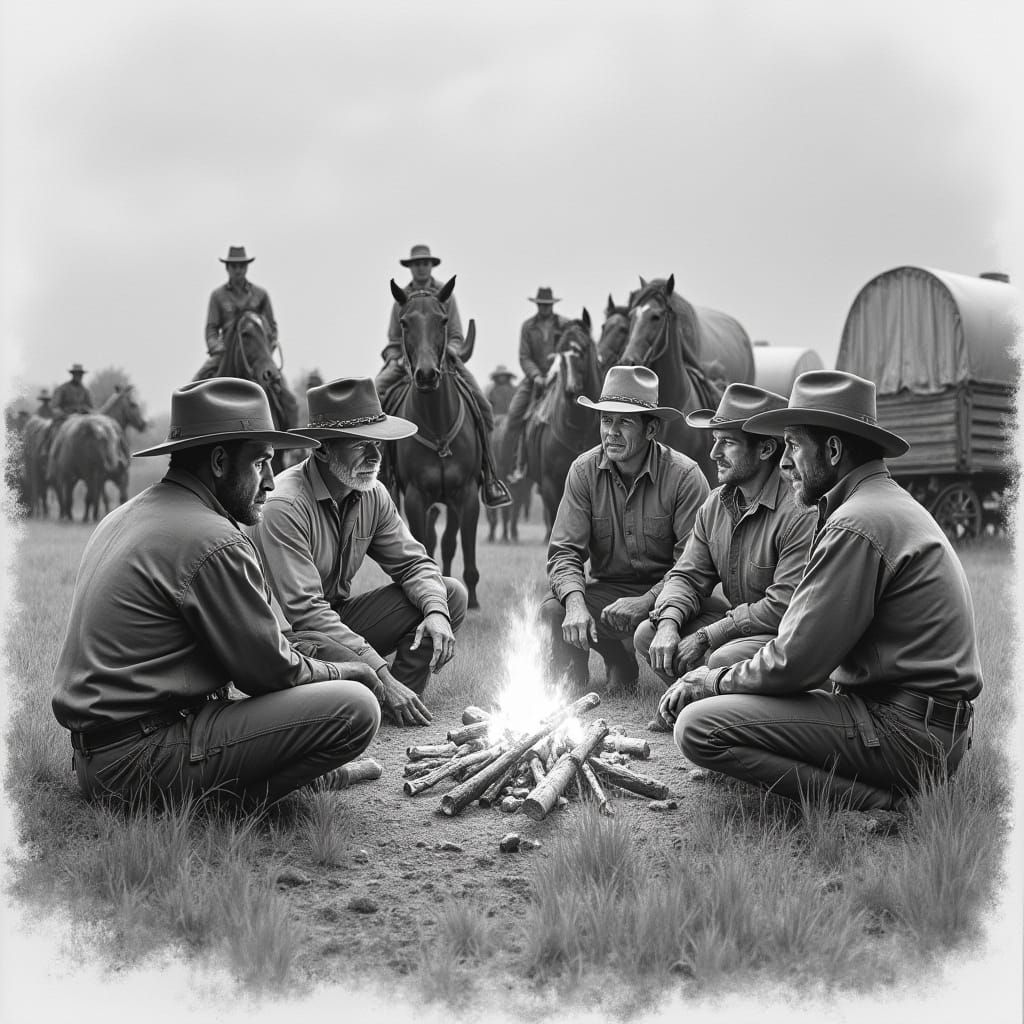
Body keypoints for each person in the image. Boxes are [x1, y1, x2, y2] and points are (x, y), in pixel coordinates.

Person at [51, 377, 382, 808]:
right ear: (221, 462)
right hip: (139, 760)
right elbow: (270, 673)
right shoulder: (213, 539)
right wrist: (350, 671)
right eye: (261, 463)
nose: (269, 482)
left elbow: (261, 647)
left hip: (101, 754)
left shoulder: (126, 514)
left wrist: (314, 652)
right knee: (356, 708)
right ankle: (229, 805)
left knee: (314, 649)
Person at [660, 370, 982, 812]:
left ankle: (879, 802)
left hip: (903, 732)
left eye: (792, 446)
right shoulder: (877, 504)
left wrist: (711, 681)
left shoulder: (856, 523)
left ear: (832, 451)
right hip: (919, 723)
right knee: (733, 675)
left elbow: (796, 663)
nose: (785, 462)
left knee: (697, 726)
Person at [251, 376, 468, 724]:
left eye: (378, 444)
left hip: (334, 622)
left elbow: (414, 564)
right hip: (290, 640)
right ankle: (376, 693)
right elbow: (306, 613)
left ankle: (394, 704)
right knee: (331, 649)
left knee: (449, 593)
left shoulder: (373, 493)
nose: (374, 455)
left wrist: (436, 612)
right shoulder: (285, 505)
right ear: (321, 448)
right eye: (360, 445)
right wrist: (381, 671)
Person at [634, 384, 816, 729]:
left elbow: (784, 606)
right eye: (715, 440)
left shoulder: (798, 511)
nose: (714, 452)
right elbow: (686, 575)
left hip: (782, 636)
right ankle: (691, 704)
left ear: (765, 449)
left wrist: (707, 635)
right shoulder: (716, 503)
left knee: (724, 655)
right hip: (740, 626)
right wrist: (670, 623)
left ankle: (721, 715)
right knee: (649, 633)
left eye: (727, 442)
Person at [541, 365, 710, 690]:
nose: (611, 432)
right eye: (606, 420)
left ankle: (691, 683)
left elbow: (694, 568)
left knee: (696, 637)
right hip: (610, 594)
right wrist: (575, 604)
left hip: (672, 595)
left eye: (625, 422)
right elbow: (564, 553)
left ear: (651, 429)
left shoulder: (685, 477)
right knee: (553, 608)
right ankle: (571, 688)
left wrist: (647, 601)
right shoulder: (583, 471)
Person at [377, 243, 512, 509]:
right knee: (373, 402)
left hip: (444, 361)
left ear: (431, 266)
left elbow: (457, 336)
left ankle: (490, 477)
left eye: (425, 263)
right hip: (405, 362)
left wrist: (447, 353)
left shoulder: (445, 296)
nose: (421, 268)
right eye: (416, 264)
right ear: (410, 267)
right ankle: (383, 478)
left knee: (483, 406)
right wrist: (400, 358)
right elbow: (394, 338)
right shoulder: (401, 298)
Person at [503, 287, 570, 480]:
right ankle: (513, 464)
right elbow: (524, 357)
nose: (544, 308)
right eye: (541, 305)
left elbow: (566, 351)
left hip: (559, 379)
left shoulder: (564, 325)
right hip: (534, 381)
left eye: (547, 305)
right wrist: (536, 376)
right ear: (537, 305)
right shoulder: (528, 326)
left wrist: (556, 372)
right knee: (514, 415)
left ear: (553, 305)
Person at [196, 245, 278, 381]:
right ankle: (186, 400)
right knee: (199, 381)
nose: (238, 270)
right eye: (234, 266)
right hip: (227, 351)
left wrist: (267, 347)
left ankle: (292, 402)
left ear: (247, 268)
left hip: (257, 353)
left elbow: (271, 327)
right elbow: (211, 328)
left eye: (241, 266)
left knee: (278, 383)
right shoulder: (218, 296)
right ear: (227, 268)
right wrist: (216, 347)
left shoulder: (261, 295)